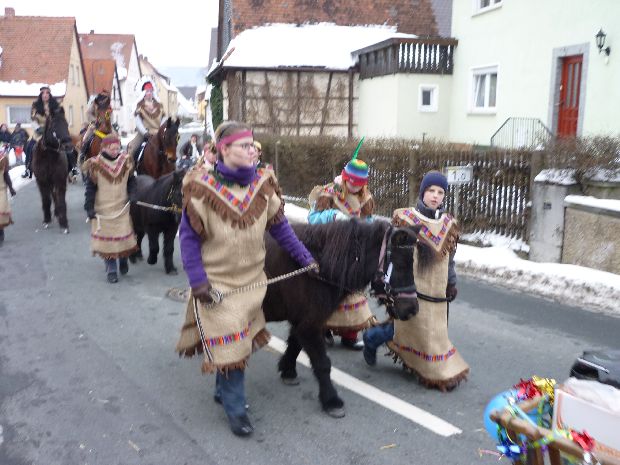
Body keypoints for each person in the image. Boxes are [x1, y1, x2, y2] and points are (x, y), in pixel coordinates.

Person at [175, 121, 317, 437]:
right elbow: (188, 239)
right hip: (217, 287)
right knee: (233, 346)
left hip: (253, 283)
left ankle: (222, 386)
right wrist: (198, 283)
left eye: (253, 145)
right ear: (223, 149)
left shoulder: (263, 186)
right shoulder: (201, 189)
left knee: (241, 344)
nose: (252, 150)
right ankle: (236, 408)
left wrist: (306, 258)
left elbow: (281, 229)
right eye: (244, 146)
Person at [363, 171, 469, 391]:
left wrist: (451, 282)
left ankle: (424, 364)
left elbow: (450, 259)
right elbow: (394, 254)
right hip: (411, 289)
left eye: (440, 192)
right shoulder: (406, 219)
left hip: (436, 293)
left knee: (432, 331)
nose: (435, 196)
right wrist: (387, 283)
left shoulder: (449, 224)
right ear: (422, 192)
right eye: (431, 190)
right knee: (404, 328)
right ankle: (372, 338)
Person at [307, 156, 375, 350]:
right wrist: (332, 215)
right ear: (345, 178)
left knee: (352, 293)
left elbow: (368, 222)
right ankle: (324, 330)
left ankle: (350, 333)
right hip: (328, 249)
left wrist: (365, 229)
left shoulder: (366, 198)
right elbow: (313, 219)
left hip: (352, 252)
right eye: (351, 182)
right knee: (327, 292)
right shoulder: (328, 194)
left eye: (359, 183)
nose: (354, 187)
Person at [83, 135, 137, 283]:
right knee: (108, 243)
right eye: (112, 148)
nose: (115, 151)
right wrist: (89, 207)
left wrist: (133, 194)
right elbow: (90, 188)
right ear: (104, 148)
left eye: (117, 148)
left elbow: (132, 180)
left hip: (122, 207)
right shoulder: (95, 164)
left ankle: (123, 257)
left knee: (123, 235)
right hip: (103, 210)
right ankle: (112, 269)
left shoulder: (125, 161)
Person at [128, 81, 165, 166]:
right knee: (132, 148)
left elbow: (164, 118)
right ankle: (131, 169)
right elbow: (138, 121)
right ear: (144, 93)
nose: (150, 93)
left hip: (158, 132)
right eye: (147, 91)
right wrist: (145, 132)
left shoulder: (159, 105)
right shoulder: (139, 105)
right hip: (145, 133)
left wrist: (161, 130)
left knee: (170, 148)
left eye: (151, 91)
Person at [79, 90, 113, 162]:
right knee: (87, 136)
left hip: (106, 125)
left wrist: (106, 120)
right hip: (95, 124)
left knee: (115, 134)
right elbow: (88, 113)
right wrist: (95, 120)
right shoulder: (94, 104)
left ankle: (118, 150)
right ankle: (82, 153)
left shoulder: (108, 106)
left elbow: (108, 116)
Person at [0, 145, 16, 245]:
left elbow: (6, 175)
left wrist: (11, 188)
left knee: (0, 214)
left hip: (1, 190)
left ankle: (0, 234)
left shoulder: (2, 159)